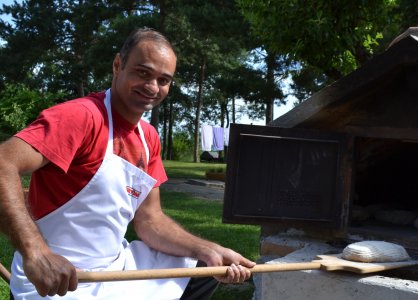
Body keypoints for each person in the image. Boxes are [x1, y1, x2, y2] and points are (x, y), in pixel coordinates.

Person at [0, 28, 255, 299]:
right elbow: (4, 162)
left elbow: (150, 220)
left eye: (163, 79)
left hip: (114, 266)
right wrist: (36, 253)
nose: (152, 87)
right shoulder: (81, 117)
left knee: (202, 266)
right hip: (59, 279)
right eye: (143, 73)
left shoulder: (149, 138)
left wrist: (208, 249)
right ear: (118, 65)